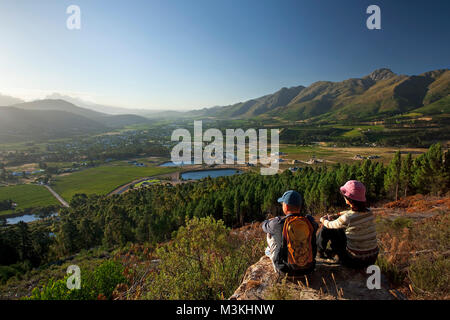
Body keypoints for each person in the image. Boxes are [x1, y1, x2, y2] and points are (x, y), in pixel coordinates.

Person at [317, 180, 379, 269]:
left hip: (354, 260)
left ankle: (320, 252)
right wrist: (337, 214)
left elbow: (330, 225)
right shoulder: (369, 212)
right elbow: (350, 212)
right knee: (343, 230)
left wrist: (322, 220)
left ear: (348, 199)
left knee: (326, 229)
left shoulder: (347, 218)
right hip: (372, 259)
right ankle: (330, 253)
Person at [262, 190, 318, 276]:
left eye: (282, 204)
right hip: (309, 269)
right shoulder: (309, 222)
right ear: (299, 206)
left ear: (286, 207)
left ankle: (269, 252)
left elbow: (264, 226)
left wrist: (271, 220)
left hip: (285, 271)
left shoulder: (278, 223)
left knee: (270, 234)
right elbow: (316, 226)